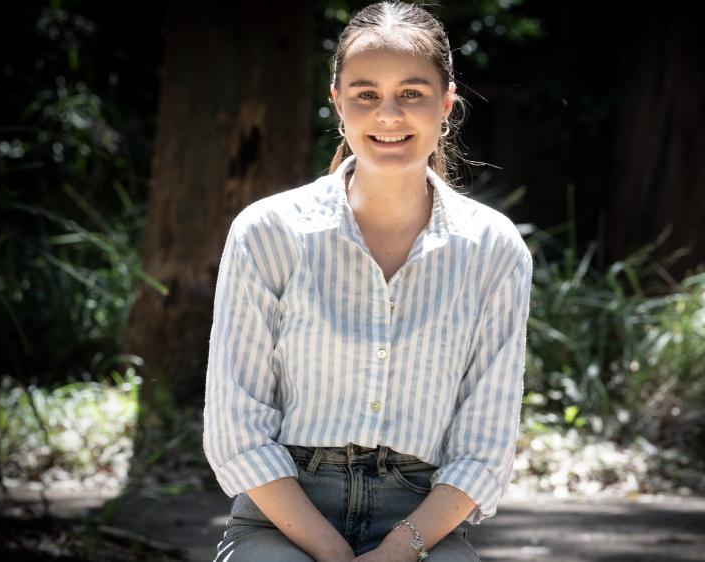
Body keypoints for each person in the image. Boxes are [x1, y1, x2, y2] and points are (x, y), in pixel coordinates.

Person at [203, 1, 533, 560]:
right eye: (365, 94)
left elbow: (484, 448)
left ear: (446, 103)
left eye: (411, 93)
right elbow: (238, 433)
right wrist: (331, 554)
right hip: (281, 519)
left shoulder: (494, 249)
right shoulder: (268, 232)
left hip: (424, 525)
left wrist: (398, 549)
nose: (388, 115)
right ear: (337, 103)